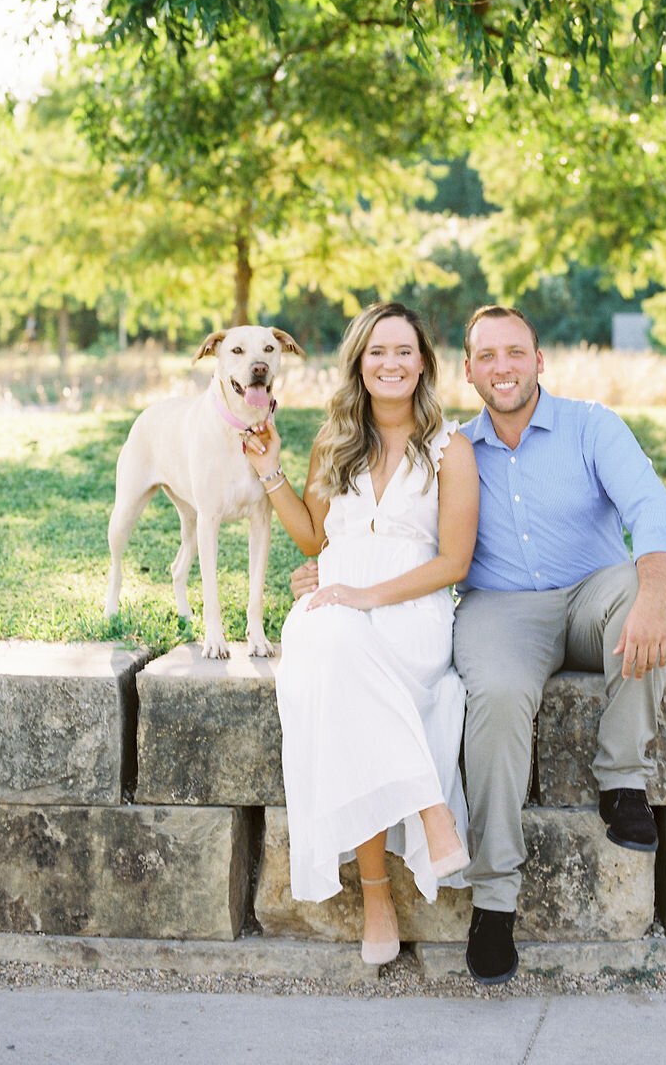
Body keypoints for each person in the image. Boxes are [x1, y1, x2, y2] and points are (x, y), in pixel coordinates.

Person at [293, 304, 666, 984]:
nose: (502, 367)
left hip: (593, 595)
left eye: (516, 353)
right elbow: (358, 526)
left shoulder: (592, 427)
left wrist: (655, 593)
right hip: (502, 612)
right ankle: (495, 901)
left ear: (539, 361)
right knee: (498, 698)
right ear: (469, 371)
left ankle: (622, 778)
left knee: (641, 591)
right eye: (487, 356)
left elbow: (651, 509)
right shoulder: (458, 450)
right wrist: (330, 566)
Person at [247, 302, 479, 966]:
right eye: (378, 351)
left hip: (411, 612)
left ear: (424, 366)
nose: (391, 363)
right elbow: (314, 538)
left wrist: (363, 595)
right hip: (332, 611)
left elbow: (453, 563)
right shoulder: (334, 440)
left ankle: (380, 891)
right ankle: (429, 815)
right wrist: (269, 469)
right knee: (335, 643)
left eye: (405, 351)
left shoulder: (451, 449)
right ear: (359, 362)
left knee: (344, 651)